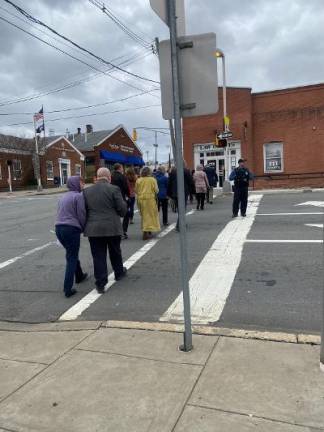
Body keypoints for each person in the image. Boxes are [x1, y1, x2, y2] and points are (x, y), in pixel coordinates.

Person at [83, 167, 127, 293]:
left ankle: (101, 283)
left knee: (98, 256)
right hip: (112, 226)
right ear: (109, 177)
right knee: (115, 251)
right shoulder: (114, 189)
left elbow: (84, 211)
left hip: (94, 229)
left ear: (97, 177)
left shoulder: (87, 191)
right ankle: (118, 272)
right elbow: (122, 209)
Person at [55, 176, 88, 298]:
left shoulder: (62, 197)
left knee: (71, 253)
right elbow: (82, 214)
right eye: (81, 182)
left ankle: (79, 275)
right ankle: (67, 288)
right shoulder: (78, 196)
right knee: (72, 257)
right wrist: (84, 228)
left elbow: (59, 213)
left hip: (59, 228)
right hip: (71, 229)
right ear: (76, 184)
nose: (82, 184)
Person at [135, 166, 160, 240]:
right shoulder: (152, 180)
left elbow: (136, 190)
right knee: (150, 215)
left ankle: (147, 230)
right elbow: (156, 190)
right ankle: (146, 231)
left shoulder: (138, 180)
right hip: (150, 199)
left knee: (144, 215)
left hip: (141, 199)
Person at [167, 163, 194, 231]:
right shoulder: (186, 171)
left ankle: (181, 223)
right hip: (183, 192)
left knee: (179, 209)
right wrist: (191, 191)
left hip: (175, 193)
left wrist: (169, 194)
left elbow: (169, 183)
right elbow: (191, 182)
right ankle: (179, 225)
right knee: (182, 209)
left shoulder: (173, 172)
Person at [111, 163, 130, 239]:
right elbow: (126, 187)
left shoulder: (111, 176)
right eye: (122, 167)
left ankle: (114, 231)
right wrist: (128, 195)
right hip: (121, 197)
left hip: (111, 198)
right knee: (126, 214)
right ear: (119, 168)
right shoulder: (122, 177)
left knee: (114, 215)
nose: (123, 169)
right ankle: (123, 231)